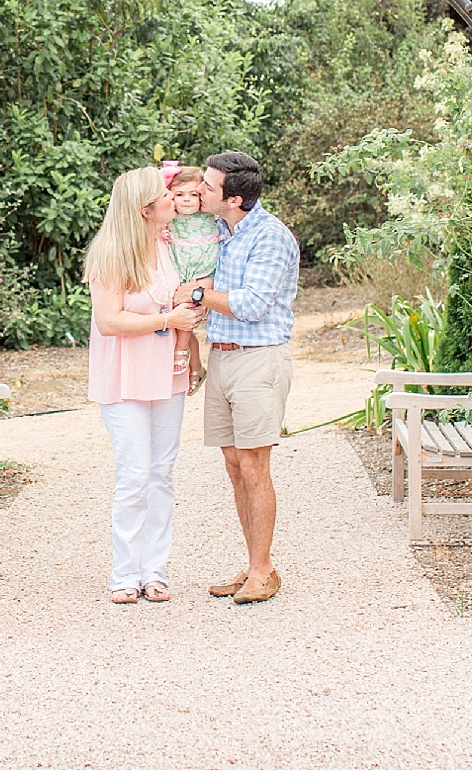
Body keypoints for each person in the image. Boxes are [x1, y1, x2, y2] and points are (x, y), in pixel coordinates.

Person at [177, 150, 299, 605]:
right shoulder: (222, 232)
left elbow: (251, 304)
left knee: (253, 466)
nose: (200, 190)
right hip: (223, 359)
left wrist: (196, 294)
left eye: (208, 187)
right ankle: (253, 566)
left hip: (258, 361)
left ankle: (263, 571)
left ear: (234, 199)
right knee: (234, 466)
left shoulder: (269, 236)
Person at [85, 165, 207, 605]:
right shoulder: (110, 255)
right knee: (134, 474)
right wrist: (167, 320)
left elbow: (183, 300)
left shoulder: (170, 245)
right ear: (144, 208)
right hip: (125, 376)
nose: (173, 198)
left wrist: (192, 353)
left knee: (161, 474)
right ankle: (124, 573)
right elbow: (109, 321)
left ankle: (155, 571)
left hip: (167, 372)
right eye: (165, 194)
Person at [164, 163, 221, 388]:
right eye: (179, 194)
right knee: (180, 319)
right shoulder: (170, 218)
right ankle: (196, 366)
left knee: (186, 308)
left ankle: (180, 350)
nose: (187, 200)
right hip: (179, 272)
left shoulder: (211, 216)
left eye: (193, 194)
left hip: (204, 272)